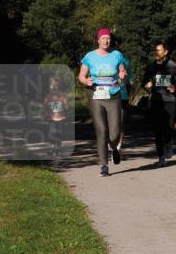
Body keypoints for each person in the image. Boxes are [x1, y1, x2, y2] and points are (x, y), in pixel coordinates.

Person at [78, 29, 127, 177]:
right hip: (96, 96)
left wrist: (122, 75)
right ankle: (104, 165)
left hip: (113, 96)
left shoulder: (116, 55)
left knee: (115, 133)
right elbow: (81, 74)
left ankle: (114, 148)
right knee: (101, 131)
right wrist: (85, 81)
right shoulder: (90, 56)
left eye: (108, 38)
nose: (106, 41)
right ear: (98, 40)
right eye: (103, 38)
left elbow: (123, 72)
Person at [143, 41, 176, 167]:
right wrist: (147, 85)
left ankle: (168, 143)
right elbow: (144, 82)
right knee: (157, 130)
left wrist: (174, 87)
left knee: (168, 127)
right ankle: (161, 157)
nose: (156, 52)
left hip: (169, 100)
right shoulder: (150, 66)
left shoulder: (173, 66)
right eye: (155, 50)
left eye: (159, 50)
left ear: (165, 52)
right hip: (155, 100)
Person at [112, 35, 134, 150]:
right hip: (107, 94)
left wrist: (130, 80)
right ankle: (110, 144)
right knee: (108, 122)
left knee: (120, 122)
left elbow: (131, 77)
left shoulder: (125, 60)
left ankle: (118, 147)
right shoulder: (103, 58)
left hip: (122, 94)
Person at [43, 74, 70, 158]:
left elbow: (67, 107)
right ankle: (55, 149)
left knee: (59, 133)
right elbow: (45, 106)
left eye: (56, 86)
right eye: (53, 86)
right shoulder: (48, 96)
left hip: (61, 118)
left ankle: (57, 149)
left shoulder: (62, 96)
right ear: (50, 87)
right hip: (52, 118)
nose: (54, 88)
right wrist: (45, 113)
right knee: (52, 133)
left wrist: (65, 104)